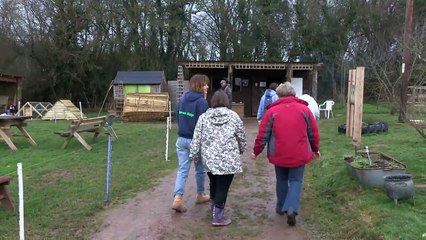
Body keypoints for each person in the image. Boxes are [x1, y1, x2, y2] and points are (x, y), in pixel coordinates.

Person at [251, 82, 320, 227]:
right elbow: (313, 132)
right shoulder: (304, 110)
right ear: (293, 94)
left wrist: (257, 151)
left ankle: (281, 206)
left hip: (279, 153)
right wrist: (315, 148)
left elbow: (263, 134)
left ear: (278, 95)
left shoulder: (272, 111)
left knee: (281, 179)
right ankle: (291, 208)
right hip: (299, 152)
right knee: (296, 180)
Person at [189, 90, 247, 226]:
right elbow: (241, 135)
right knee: (223, 186)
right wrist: (242, 148)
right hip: (229, 159)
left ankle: (214, 207)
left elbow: (196, 137)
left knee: (214, 182)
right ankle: (218, 217)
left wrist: (194, 154)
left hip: (209, 159)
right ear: (226, 101)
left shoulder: (203, 117)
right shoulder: (234, 117)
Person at [172, 74, 211, 213]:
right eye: (205, 84)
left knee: (182, 170)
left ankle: (177, 199)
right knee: (200, 169)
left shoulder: (182, 99)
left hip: (181, 139)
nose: (207, 87)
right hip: (195, 140)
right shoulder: (202, 102)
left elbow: (178, 117)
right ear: (200, 85)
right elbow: (203, 125)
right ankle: (200, 194)